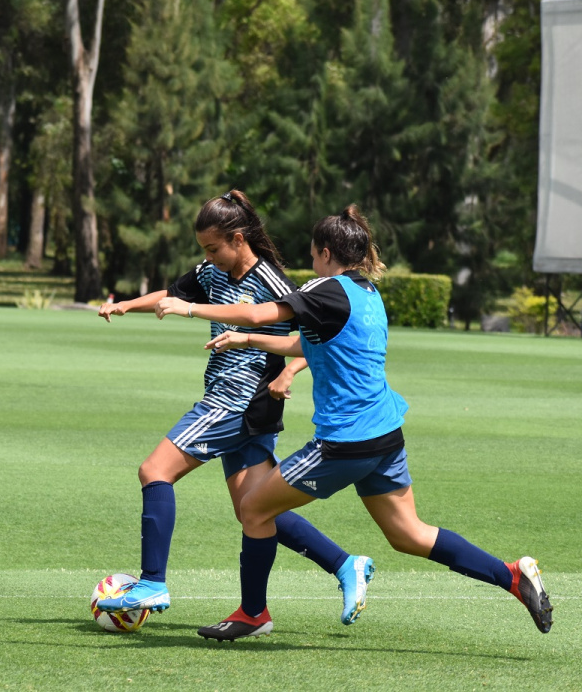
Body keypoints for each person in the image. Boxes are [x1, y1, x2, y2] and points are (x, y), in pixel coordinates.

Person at [155, 204, 553, 640]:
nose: (310, 260)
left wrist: (188, 308)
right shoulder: (365, 293)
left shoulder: (325, 289)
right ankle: (512, 576)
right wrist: (248, 339)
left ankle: (253, 614)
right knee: (409, 535)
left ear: (325, 251)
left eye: (312, 252)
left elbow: (257, 311)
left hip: (345, 443)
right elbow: (309, 344)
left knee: (252, 507)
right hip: (385, 435)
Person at [95, 190, 376, 628]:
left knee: (154, 471)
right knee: (254, 509)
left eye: (213, 248)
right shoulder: (212, 271)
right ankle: (343, 565)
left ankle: (152, 581)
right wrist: (127, 304)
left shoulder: (273, 282)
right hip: (243, 404)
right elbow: (171, 293)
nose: (207, 257)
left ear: (239, 238)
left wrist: (290, 372)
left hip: (238, 400)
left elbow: (321, 335)